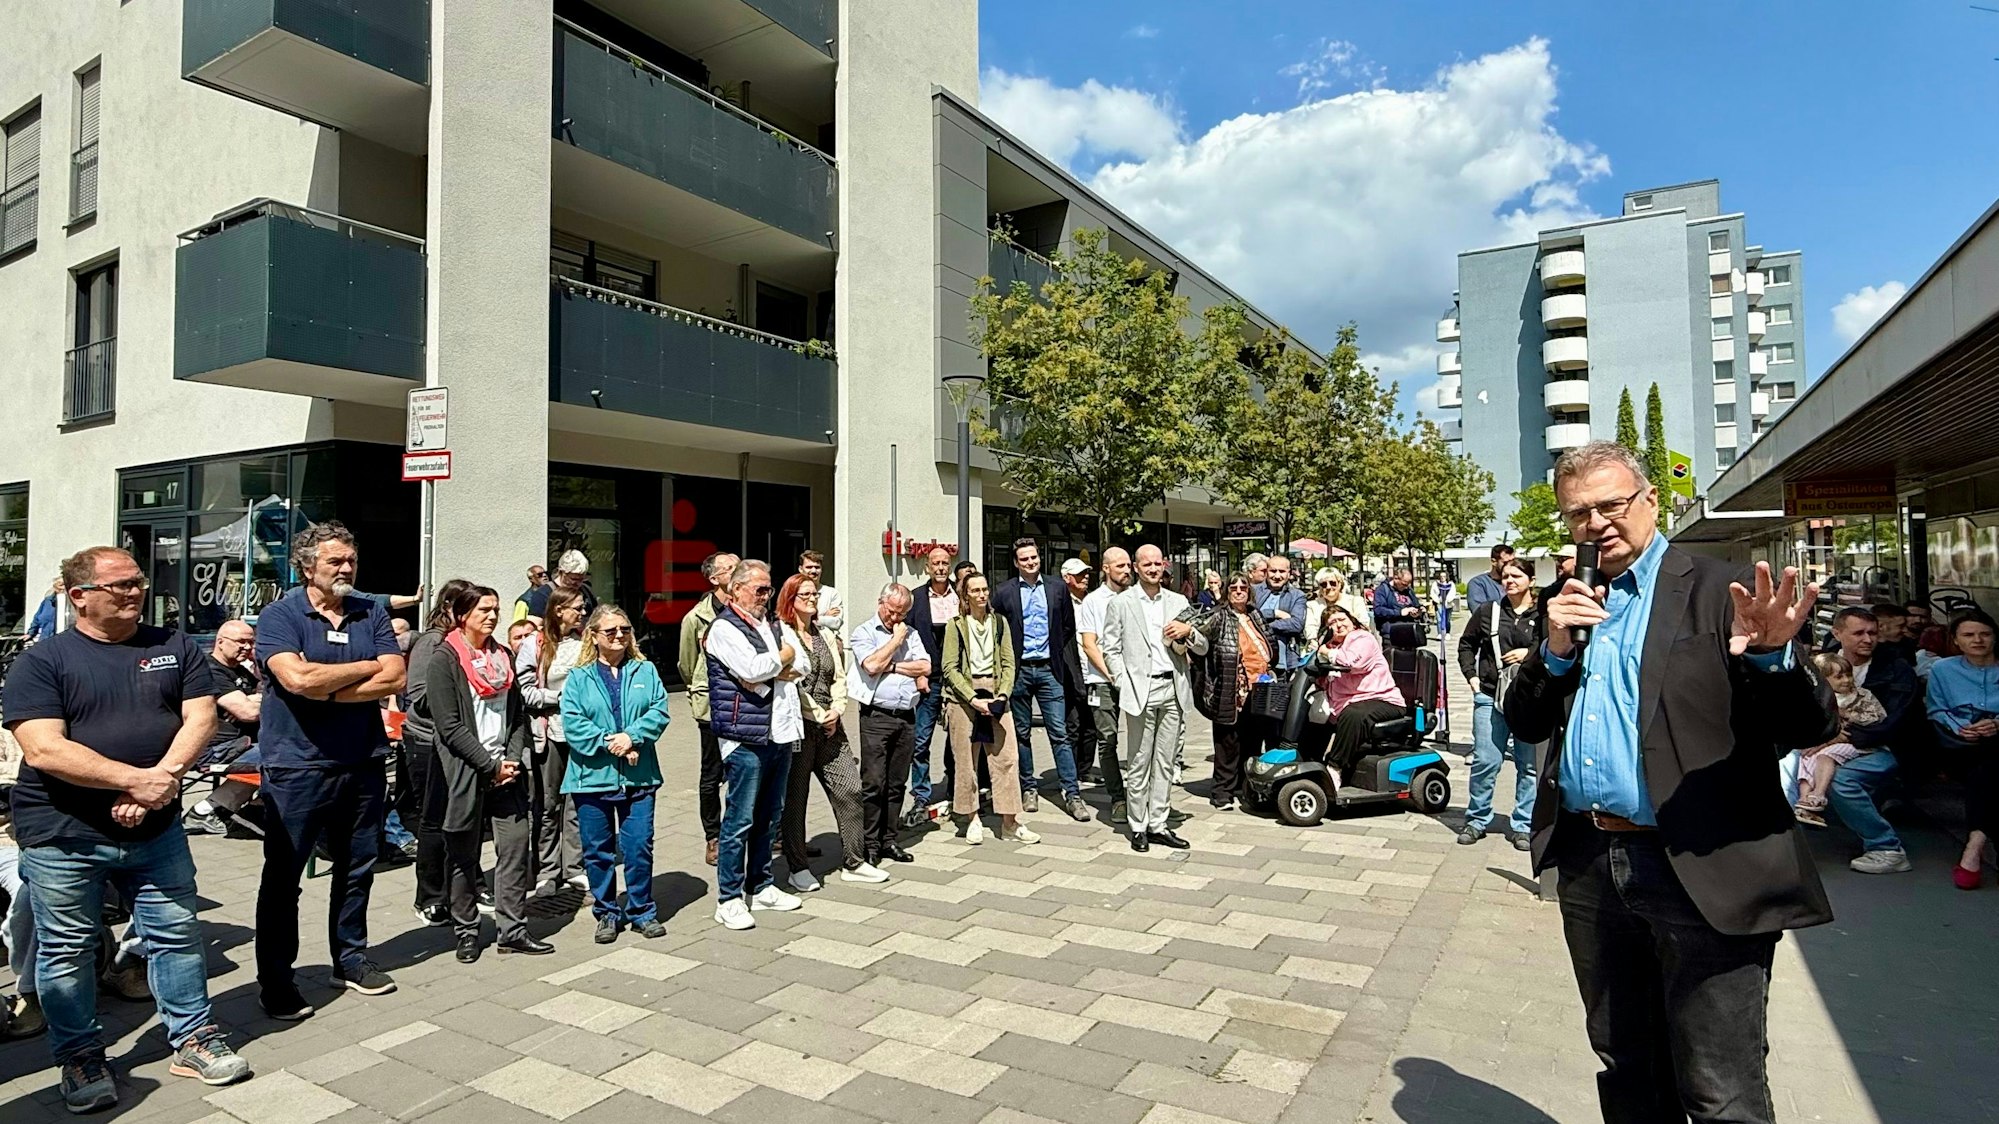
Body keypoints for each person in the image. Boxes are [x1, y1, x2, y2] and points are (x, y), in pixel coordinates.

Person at [1504, 441, 1833, 1124]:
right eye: (1577, 514)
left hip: (1696, 862)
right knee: (1626, 1064)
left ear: (1650, 502)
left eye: (1609, 505)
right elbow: (1525, 719)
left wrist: (1773, 660)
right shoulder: (1570, 602)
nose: (1594, 524)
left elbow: (1809, 725)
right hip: (1591, 864)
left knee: (1719, 1089)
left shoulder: (1721, 590)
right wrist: (1554, 652)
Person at [3, 546, 252, 1110]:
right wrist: (134, 782)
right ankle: (81, 1057)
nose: (136, 591)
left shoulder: (172, 645)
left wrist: (157, 782)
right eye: (119, 585)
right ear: (79, 597)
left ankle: (193, 1038)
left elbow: (201, 717)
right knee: (66, 951)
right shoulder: (43, 661)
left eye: (138, 581)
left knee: (177, 934)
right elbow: (43, 748)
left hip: (155, 828)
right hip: (63, 833)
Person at [253, 523, 407, 1019]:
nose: (346, 569)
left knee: (359, 865)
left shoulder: (370, 611)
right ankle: (277, 979)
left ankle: (350, 957)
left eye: (350, 561)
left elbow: (396, 674)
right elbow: (294, 678)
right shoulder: (280, 615)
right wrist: (363, 670)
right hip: (296, 765)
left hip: (361, 759)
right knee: (284, 877)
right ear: (306, 567)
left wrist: (327, 689)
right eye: (335, 562)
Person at [423, 586, 548, 961]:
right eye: (484, 610)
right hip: (467, 772)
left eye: (496, 609)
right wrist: (489, 766)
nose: (493, 616)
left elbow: (517, 715)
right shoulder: (444, 660)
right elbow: (449, 726)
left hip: (506, 771)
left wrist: (509, 760)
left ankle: (512, 930)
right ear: (463, 615)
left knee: (513, 849)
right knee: (463, 855)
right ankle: (466, 930)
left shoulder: (503, 655)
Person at [559, 604, 671, 942]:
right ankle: (606, 912)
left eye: (625, 629)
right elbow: (574, 724)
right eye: (611, 631)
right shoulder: (579, 677)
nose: (619, 635)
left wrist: (632, 737)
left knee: (638, 846)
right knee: (598, 850)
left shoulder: (645, 670)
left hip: (639, 776)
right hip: (591, 778)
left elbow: (660, 710)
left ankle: (642, 911)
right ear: (593, 636)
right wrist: (612, 743)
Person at [704, 559, 805, 930]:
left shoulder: (770, 623)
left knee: (769, 816)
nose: (767, 595)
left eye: (769, 588)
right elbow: (752, 670)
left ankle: (760, 885)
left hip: (778, 731)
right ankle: (729, 897)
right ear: (736, 590)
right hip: (744, 736)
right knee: (740, 820)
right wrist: (782, 660)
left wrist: (776, 664)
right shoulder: (724, 628)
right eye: (759, 589)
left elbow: (802, 663)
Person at [774, 575, 881, 890]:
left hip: (831, 724)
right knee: (796, 799)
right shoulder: (782, 634)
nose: (811, 598)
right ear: (790, 598)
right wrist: (819, 715)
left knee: (849, 788)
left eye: (814, 593)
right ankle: (798, 867)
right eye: (804, 593)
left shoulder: (824, 634)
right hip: (799, 724)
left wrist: (837, 708)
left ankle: (854, 861)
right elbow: (791, 682)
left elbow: (839, 675)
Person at [1100, 545, 1207, 853]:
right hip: (1140, 690)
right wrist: (1122, 681)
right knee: (1138, 760)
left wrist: (1187, 632)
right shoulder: (1121, 603)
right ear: (1135, 567)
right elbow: (1111, 648)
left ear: (1164, 566)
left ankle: (1158, 823)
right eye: (1146, 564)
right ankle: (1137, 825)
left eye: (1157, 563)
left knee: (1165, 760)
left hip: (1172, 688)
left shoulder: (1178, 601)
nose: (1152, 568)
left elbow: (1201, 647)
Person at [1820, 606, 1921, 875]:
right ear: (1837, 633)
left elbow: (1896, 720)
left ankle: (1886, 847)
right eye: (1859, 633)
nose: (1867, 639)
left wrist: (1845, 736)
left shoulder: (1897, 669)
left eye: (1872, 633)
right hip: (1825, 742)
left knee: (1843, 780)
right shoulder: (1820, 666)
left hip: (1883, 746)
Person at [990, 538, 1087, 819]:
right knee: (1021, 733)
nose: (1031, 562)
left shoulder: (1057, 588)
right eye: (1025, 559)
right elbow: (997, 628)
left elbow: (1068, 626)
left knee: (1059, 732)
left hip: (1049, 670)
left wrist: (1054, 650)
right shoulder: (1004, 591)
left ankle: (1072, 792)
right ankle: (1028, 787)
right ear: (1016, 563)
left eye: (1034, 557)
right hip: (1019, 672)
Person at [941, 571, 1038, 845]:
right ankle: (972, 818)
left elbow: (1009, 662)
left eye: (985, 589)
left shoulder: (1000, 623)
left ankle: (1010, 822)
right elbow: (949, 667)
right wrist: (972, 698)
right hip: (964, 696)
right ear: (966, 595)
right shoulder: (955, 626)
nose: (982, 595)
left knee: (1006, 758)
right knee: (966, 760)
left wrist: (1003, 694)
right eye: (976, 590)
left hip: (996, 691)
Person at [1455, 558, 1540, 848]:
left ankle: (1524, 825)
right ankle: (1477, 819)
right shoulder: (1489, 611)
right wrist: (1472, 678)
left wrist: (1528, 653)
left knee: (1528, 765)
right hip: (1490, 695)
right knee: (1486, 761)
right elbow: (1466, 644)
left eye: (1516, 575)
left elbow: (1555, 645)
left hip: (1529, 698)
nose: (1509, 580)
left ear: (1531, 579)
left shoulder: (1542, 613)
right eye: (1505, 576)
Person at [401, 580, 470, 928]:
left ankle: (463, 887)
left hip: (458, 742)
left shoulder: (468, 645)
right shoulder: (432, 642)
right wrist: (458, 697)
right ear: (450, 609)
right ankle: (429, 896)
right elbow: (418, 695)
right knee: (433, 820)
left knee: (459, 820)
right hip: (427, 741)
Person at [848, 583, 932, 867]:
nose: (894, 618)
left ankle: (889, 839)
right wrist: (896, 643)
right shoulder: (864, 632)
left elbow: (925, 667)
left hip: (906, 716)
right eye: (891, 611)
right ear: (880, 602)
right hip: (876, 716)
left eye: (901, 614)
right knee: (873, 783)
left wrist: (893, 666)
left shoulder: (913, 634)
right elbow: (871, 665)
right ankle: (870, 844)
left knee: (896, 783)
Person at [516, 587, 586, 897]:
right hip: (550, 735)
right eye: (577, 608)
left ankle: (575, 867)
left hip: (583, 735)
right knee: (547, 803)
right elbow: (525, 691)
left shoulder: (587, 643)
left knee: (578, 803)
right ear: (559, 610)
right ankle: (547, 870)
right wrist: (560, 698)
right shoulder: (536, 644)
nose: (583, 613)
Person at [1926, 610, 1999, 890]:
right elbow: (1936, 710)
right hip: (1959, 744)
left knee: (1988, 767)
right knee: (1987, 767)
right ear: (1956, 640)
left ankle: (1974, 845)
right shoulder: (1943, 670)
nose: (1977, 640)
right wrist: (1960, 727)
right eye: (1968, 635)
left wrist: (1996, 723)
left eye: (1985, 634)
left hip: (1994, 743)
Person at [1192, 573, 1272, 813]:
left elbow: (1269, 644)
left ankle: (1246, 788)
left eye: (1243, 587)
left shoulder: (1254, 615)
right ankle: (1222, 792)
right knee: (1227, 744)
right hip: (1228, 689)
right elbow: (1198, 644)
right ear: (1226, 591)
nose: (1239, 591)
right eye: (1234, 587)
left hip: (1258, 689)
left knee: (1252, 743)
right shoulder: (1218, 616)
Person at [678, 552, 737, 867]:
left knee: (744, 771)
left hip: (746, 707)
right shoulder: (696, 618)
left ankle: (740, 831)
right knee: (712, 776)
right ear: (714, 579)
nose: (738, 571)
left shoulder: (752, 611)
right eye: (731, 568)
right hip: (712, 707)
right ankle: (713, 836)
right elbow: (687, 665)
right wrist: (699, 690)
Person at [182, 619, 262, 836]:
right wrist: (252, 702)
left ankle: (256, 810)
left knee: (291, 751)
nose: (247, 648)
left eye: (251, 643)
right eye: (241, 642)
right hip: (214, 751)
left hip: (241, 746)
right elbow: (249, 713)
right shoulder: (208, 670)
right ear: (220, 642)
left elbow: (262, 701)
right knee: (278, 755)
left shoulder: (243, 673)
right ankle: (205, 812)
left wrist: (253, 697)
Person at [1314, 607, 1408, 786]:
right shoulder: (1333, 645)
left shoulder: (1362, 638)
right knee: (1313, 713)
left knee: (1353, 714)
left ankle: (1335, 769)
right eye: (1332, 623)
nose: (1339, 625)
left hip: (1382, 699)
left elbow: (1352, 663)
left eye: (1342, 619)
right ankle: (1309, 761)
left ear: (1351, 620)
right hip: (1350, 702)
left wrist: (1325, 652)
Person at [1792, 653, 1886, 828]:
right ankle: (1805, 800)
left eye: (1848, 675)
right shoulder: (1819, 699)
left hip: (1853, 743)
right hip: (1825, 742)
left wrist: (1849, 716)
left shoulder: (1862, 696)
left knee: (1825, 755)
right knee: (1806, 758)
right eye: (1839, 677)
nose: (1846, 680)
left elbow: (1877, 717)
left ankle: (1819, 794)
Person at [902, 546, 958, 829]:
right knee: (920, 742)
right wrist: (917, 676)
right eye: (935, 563)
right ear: (927, 567)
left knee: (958, 740)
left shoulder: (960, 596)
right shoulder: (917, 599)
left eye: (945, 563)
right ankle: (921, 796)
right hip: (928, 681)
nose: (940, 567)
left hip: (957, 680)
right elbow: (907, 640)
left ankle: (956, 790)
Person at [1076, 548, 1133, 824]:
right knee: (1107, 741)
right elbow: (1089, 644)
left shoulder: (1137, 597)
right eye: (1120, 565)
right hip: (1103, 681)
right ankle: (1118, 797)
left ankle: (1142, 796)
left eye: (1128, 565)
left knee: (1142, 740)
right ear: (1106, 568)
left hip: (1136, 679)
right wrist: (1112, 675)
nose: (1126, 570)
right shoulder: (1093, 601)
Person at [1255, 556, 1307, 673]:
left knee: (1279, 691)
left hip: (1282, 662)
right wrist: (1274, 613)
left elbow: (1296, 624)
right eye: (1273, 571)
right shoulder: (1253, 592)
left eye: (1282, 571)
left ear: (1288, 573)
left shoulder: (1297, 596)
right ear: (1266, 572)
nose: (1277, 576)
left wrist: (1264, 627)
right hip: (1254, 660)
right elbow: (1248, 616)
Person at [515, 550, 596, 625]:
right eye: (573, 579)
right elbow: (534, 626)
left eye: (581, 579)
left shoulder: (585, 591)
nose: (578, 583)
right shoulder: (542, 594)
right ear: (561, 572)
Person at [799, 549, 844, 632]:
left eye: (817, 567)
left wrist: (810, 619)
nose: (814, 571)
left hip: (827, 641)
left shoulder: (832, 593)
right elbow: (792, 619)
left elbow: (836, 623)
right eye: (809, 567)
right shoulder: (795, 592)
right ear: (801, 569)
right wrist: (824, 617)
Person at [1466, 544, 1516, 614]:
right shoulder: (1478, 583)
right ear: (1494, 562)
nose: (1509, 566)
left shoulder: (1516, 581)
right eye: (1505, 563)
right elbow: (1478, 612)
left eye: (1513, 562)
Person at [22, 577, 59, 643]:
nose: (62, 588)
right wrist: (30, 633)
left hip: (63, 642)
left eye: (64, 585)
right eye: (59, 585)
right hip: (45, 640)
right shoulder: (47, 602)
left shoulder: (72, 603)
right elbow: (37, 619)